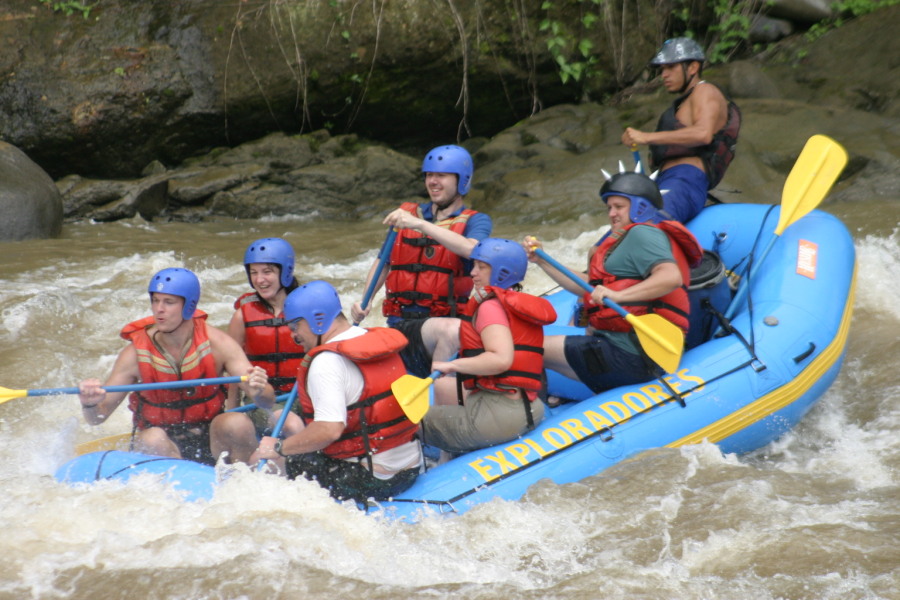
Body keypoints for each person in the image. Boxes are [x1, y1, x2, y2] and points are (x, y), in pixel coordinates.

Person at [524, 171, 703, 394]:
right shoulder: (623, 241)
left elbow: (670, 276)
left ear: (640, 206)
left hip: (632, 355)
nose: (611, 214)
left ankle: (529, 414)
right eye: (609, 208)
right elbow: (587, 287)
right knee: (531, 349)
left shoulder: (643, 235)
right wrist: (543, 261)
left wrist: (619, 296)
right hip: (616, 349)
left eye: (618, 206)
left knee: (526, 349)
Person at [78, 268, 275, 465]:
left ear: (189, 306)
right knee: (152, 438)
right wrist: (90, 403)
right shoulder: (134, 354)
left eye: (168, 302)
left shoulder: (218, 344)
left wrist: (258, 390)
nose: (159, 309)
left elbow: (267, 401)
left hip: (211, 438)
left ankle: (242, 480)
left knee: (237, 423)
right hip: (162, 444)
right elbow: (97, 417)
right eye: (155, 301)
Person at [255, 280, 423, 503]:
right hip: (411, 470)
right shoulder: (372, 339)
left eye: (295, 326)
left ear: (318, 319)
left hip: (373, 480)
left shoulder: (326, 363)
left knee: (297, 461)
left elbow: (329, 430)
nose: (293, 335)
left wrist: (279, 447)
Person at [350, 144, 493, 377]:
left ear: (461, 181)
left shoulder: (476, 221)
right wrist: (364, 302)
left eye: (441, 175)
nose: (433, 181)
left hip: (445, 325)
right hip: (401, 325)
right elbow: (384, 262)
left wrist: (421, 225)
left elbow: (472, 250)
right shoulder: (408, 215)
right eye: (429, 175)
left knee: (452, 330)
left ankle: (439, 400)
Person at [420, 238, 556, 455]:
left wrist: (453, 365)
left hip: (499, 417)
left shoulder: (490, 308)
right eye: (474, 265)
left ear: (503, 272)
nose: (473, 272)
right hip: (531, 407)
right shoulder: (518, 302)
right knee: (445, 386)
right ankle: (448, 457)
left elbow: (501, 359)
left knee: (404, 421)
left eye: (481, 267)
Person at [621, 37, 741, 224]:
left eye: (671, 67)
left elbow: (703, 134)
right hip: (667, 180)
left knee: (648, 227)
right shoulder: (685, 101)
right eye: (662, 70)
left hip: (685, 179)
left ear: (692, 68)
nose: (664, 75)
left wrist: (645, 137)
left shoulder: (705, 91)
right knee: (603, 245)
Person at [212, 237, 306, 464]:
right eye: (254, 273)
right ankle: (301, 469)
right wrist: (232, 411)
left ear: (285, 272)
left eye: (267, 272)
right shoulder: (243, 315)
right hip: (264, 401)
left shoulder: (306, 308)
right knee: (291, 424)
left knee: (295, 421)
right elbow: (233, 372)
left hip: (302, 396)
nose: (260, 280)